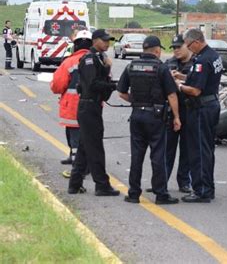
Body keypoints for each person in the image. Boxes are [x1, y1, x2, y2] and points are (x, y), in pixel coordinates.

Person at [117, 35, 181, 205]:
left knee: (136, 156)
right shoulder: (161, 68)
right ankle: (161, 194)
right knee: (158, 155)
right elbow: (172, 94)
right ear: (157, 50)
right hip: (156, 116)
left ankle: (133, 194)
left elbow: (121, 92)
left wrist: (137, 102)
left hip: (137, 115)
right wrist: (176, 117)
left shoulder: (131, 66)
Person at [68, 29, 119, 196]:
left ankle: (74, 184)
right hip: (89, 106)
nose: (107, 43)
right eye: (104, 40)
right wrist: (112, 85)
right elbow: (92, 84)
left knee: (84, 147)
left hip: (92, 107)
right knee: (95, 148)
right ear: (95, 40)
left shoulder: (99, 58)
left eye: (109, 40)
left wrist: (106, 69)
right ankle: (102, 185)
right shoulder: (90, 58)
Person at [175, 28, 223, 203]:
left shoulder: (202, 60)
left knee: (199, 151)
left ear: (195, 42)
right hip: (211, 105)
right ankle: (207, 187)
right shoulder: (213, 55)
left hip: (201, 108)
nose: (189, 49)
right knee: (207, 149)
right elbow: (199, 78)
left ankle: (202, 190)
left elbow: (195, 90)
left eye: (189, 46)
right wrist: (182, 76)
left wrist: (178, 86)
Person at [50, 30, 91, 170]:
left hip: (73, 107)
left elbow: (57, 85)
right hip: (93, 107)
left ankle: (78, 168)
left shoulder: (69, 62)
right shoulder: (99, 61)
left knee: (74, 137)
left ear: (76, 45)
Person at [164, 34, 193, 194]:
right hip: (171, 111)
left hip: (189, 110)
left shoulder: (196, 63)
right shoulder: (169, 63)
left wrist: (182, 78)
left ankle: (184, 181)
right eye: (173, 48)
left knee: (187, 148)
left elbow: (200, 82)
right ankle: (162, 181)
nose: (175, 50)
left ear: (187, 45)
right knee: (167, 148)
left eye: (178, 47)